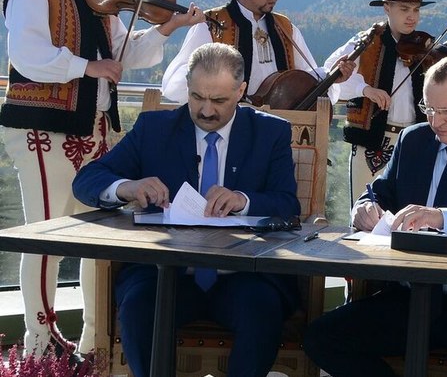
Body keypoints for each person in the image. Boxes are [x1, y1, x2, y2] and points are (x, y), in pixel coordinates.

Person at [0, 0, 204, 356]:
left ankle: (95, 339)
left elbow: (121, 57)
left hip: (94, 130)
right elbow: (28, 55)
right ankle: (40, 342)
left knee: (98, 235)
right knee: (46, 234)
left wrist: (168, 27)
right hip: (44, 130)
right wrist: (86, 66)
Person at [302, 56, 447, 377]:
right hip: (409, 295)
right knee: (321, 338)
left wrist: (443, 218)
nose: (436, 121)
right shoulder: (415, 140)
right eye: (429, 108)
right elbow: (378, 193)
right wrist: (364, 208)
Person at [72, 43, 301, 377]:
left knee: (262, 308)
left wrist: (243, 199)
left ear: (241, 91)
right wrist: (128, 187)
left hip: (242, 276)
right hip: (164, 274)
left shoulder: (270, 132)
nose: (206, 111)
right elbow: (87, 180)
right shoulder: (154, 129)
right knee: (138, 307)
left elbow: (287, 204)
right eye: (196, 97)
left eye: (219, 101)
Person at [161, 0, 336, 104]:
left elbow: (306, 77)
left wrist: (333, 75)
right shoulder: (210, 25)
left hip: (279, 127)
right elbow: (175, 85)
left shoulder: (286, 28)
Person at [325, 0, 437, 208]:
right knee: (367, 208)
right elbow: (330, 72)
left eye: (416, 10)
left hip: (413, 138)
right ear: (387, 8)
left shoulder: (422, 45)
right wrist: (365, 89)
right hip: (373, 139)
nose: (411, 17)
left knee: (409, 210)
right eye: (404, 9)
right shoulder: (367, 40)